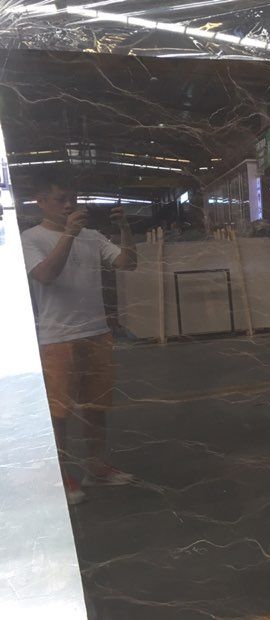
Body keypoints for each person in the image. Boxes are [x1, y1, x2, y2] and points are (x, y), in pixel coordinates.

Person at [21, 171, 137, 505]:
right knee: (58, 414)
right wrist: (69, 234)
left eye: (72, 198)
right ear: (41, 201)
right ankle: (59, 477)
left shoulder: (93, 237)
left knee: (96, 407)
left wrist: (125, 229)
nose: (69, 205)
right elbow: (45, 275)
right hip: (57, 338)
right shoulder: (31, 238)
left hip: (96, 334)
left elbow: (128, 263)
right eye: (60, 199)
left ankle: (96, 468)